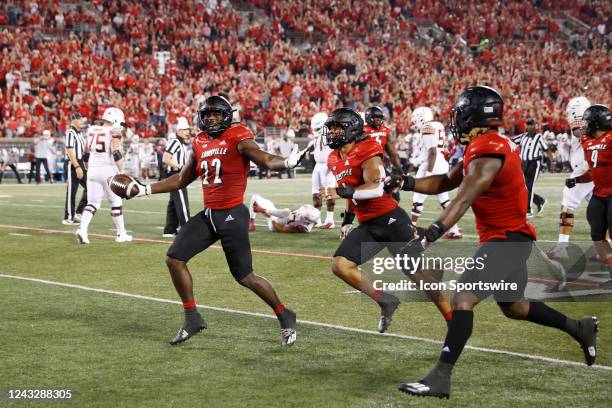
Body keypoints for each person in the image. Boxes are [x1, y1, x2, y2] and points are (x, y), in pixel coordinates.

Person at [396, 86, 598, 399]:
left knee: (463, 297)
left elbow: (462, 198)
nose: (456, 119)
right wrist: (406, 182)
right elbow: (447, 182)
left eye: (460, 113)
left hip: (507, 240)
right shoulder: (486, 143)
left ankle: (440, 377)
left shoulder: (488, 149)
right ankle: (579, 327)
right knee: (514, 306)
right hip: (509, 239)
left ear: (472, 114)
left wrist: (428, 235)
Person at [110, 95, 309, 346]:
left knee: (245, 276)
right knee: (174, 258)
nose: (212, 118)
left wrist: (288, 162)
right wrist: (144, 189)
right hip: (209, 214)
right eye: (208, 114)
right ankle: (192, 317)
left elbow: (263, 158)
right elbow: (182, 179)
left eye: (217, 114)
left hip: (232, 215)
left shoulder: (238, 135)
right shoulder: (200, 141)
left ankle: (284, 314)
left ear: (227, 116)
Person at [324, 107, 453, 333]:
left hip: (391, 220)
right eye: (331, 128)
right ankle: (385, 300)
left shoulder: (368, 149)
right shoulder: (333, 157)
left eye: (337, 128)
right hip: (369, 225)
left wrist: (342, 193)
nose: (332, 133)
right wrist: (347, 220)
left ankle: (454, 320)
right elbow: (349, 190)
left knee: (417, 274)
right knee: (340, 265)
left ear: (351, 129)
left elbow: (375, 188)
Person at [75, 107, 132, 244]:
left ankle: (82, 229)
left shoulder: (92, 130)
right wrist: (122, 171)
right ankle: (121, 234)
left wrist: (89, 168)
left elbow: (86, 153)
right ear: (116, 120)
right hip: (108, 170)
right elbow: (116, 152)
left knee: (92, 203)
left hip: (93, 169)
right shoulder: (114, 131)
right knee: (116, 202)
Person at [547, 97, 594, 259]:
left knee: (567, 205)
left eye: (570, 111)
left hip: (585, 171)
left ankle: (562, 248)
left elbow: (583, 134)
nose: (568, 115)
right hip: (589, 170)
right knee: (598, 213)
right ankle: (607, 249)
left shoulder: (586, 126)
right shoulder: (590, 126)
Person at [573, 104, 612, 285]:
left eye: (588, 122)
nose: (585, 125)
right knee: (597, 234)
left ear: (597, 123)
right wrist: (577, 180)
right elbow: (594, 170)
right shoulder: (588, 141)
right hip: (599, 194)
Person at [410, 106, 462, 238]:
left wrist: (428, 172)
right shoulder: (438, 125)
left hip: (431, 163)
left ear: (422, 117)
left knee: (418, 198)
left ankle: (411, 229)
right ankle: (454, 229)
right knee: (444, 198)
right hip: (441, 163)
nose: (414, 121)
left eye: (416, 118)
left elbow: (432, 151)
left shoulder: (427, 127)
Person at [512, 118, 548, 217]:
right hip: (523, 164)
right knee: (522, 186)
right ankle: (539, 201)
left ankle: (528, 210)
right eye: (528, 124)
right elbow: (511, 141)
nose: (529, 126)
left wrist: (547, 161)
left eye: (531, 124)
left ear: (535, 125)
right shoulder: (522, 136)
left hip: (534, 163)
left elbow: (546, 148)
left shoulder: (539, 137)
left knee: (529, 185)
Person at [162, 117, 191, 237]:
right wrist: (179, 166)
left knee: (174, 203)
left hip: (176, 175)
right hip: (176, 175)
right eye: (184, 129)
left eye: (188, 129)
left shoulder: (180, 143)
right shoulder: (175, 142)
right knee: (182, 203)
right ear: (178, 131)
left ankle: (170, 230)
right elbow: (165, 158)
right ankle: (187, 231)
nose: (187, 132)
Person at [309, 112, 336, 228]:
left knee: (329, 193)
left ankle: (330, 220)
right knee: (316, 194)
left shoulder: (332, 135)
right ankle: (317, 219)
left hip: (328, 166)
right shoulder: (316, 139)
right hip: (318, 166)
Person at [63, 113, 88, 225]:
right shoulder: (70, 132)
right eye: (81, 120)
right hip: (72, 163)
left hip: (80, 163)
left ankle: (78, 212)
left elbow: (84, 152)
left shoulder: (80, 134)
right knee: (72, 191)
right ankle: (68, 217)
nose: (82, 122)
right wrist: (77, 166)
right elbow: (69, 150)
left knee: (91, 187)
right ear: (74, 121)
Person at [249, 194, 320, 233]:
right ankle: (258, 215)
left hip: (275, 224)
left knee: (255, 199)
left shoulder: (303, 228)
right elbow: (291, 211)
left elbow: (281, 229)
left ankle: (251, 222)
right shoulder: (312, 215)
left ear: (306, 219)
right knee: (256, 197)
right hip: (284, 215)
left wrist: (270, 217)